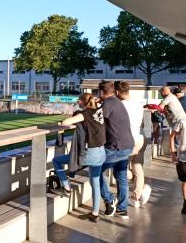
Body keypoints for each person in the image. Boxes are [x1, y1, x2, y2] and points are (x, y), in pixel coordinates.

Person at [57, 93, 106, 222]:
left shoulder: (85, 114)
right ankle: (95, 214)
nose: (77, 102)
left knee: (56, 161)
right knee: (95, 183)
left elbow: (65, 122)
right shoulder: (99, 111)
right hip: (101, 152)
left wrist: (74, 117)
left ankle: (66, 187)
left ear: (82, 102)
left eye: (79, 100)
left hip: (92, 154)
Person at [98, 81, 135, 220]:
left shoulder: (108, 104)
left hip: (116, 147)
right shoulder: (117, 102)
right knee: (121, 177)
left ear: (101, 92)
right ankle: (122, 209)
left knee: (95, 171)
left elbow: (95, 120)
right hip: (127, 146)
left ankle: (109, 200)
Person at [115, 81, 151, 208]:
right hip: (140, 138)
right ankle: (137, 195)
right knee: (138, 167)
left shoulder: (119, 105)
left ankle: (138, 191)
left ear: (117, 92)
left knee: (120, 168)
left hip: (128, 140)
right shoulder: (138, 103)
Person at [159, 86, 186, 214]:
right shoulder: (180, 118)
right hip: (181, 153)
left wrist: (173, 153)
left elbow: (160, 107)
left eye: (161, 92)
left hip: (182, 153)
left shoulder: (170, 97)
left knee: (185, 181)